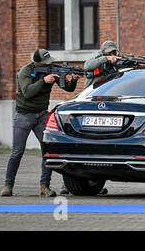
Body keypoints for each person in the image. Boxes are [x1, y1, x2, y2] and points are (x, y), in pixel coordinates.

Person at [0, 49, 80, 197]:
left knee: (47, 151)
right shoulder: (25, 71)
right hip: (24, 115)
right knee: (17, 152)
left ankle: (44, 186)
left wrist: (73, 79)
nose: (51, 64)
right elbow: (27, 93)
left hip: (42, 114)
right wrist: (43, 81)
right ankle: (8, 185)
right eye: (47, 62)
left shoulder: (52, 71)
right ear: (38, 63)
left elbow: (68, 88)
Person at [59, 40, 118, 195]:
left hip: (105, 107)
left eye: (114, 53)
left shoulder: (114, 65)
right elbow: (87, 66)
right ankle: (67, 185)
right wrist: (107, 59)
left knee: (99, 148)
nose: (112, 55)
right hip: (89, 105)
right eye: (109, 53)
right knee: (81, 146)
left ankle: (94, 182)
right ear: (104, 53)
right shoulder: (96, 61)